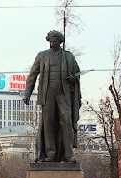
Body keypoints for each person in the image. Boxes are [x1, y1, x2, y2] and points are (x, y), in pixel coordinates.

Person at [23, 30, 80, 162]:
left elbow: (77, 73)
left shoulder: (69, 57)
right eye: (50, 41)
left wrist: (73, 78)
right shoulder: (42, 56)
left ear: (60, 42)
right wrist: (27, 93)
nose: (52, 43)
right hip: (47, 94)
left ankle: (68, 154)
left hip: (63, 94)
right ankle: (51, 153)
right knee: (48, 123)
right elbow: (32, 75)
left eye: (55, 41)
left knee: (67, 121)